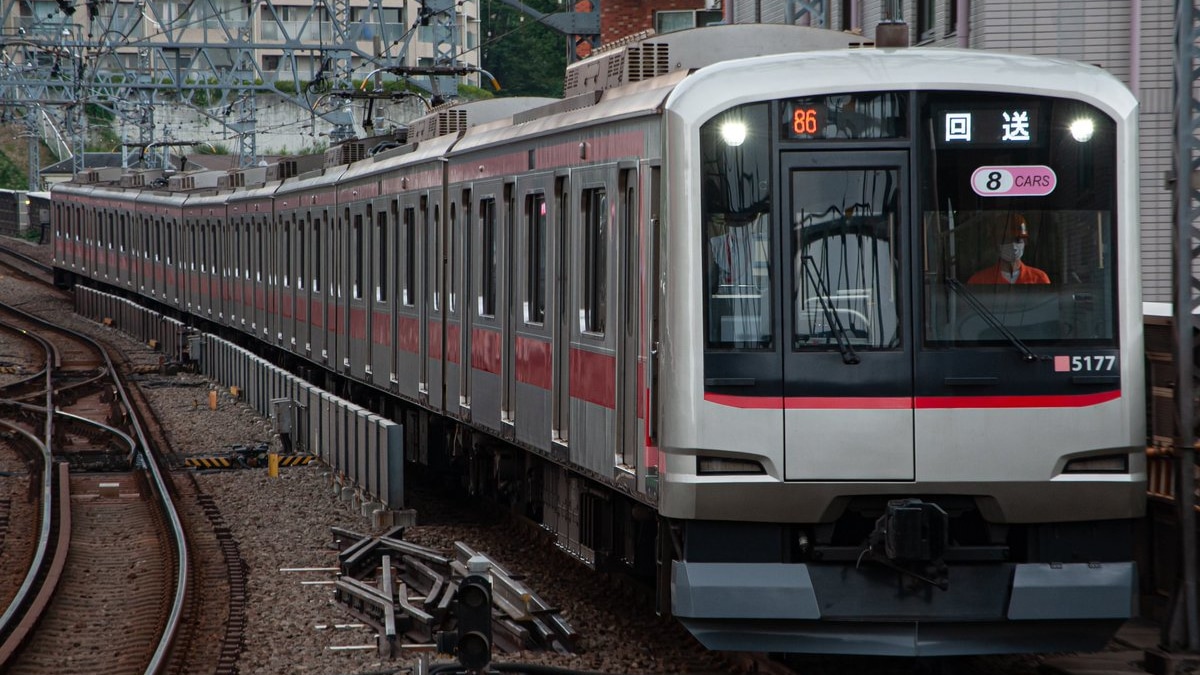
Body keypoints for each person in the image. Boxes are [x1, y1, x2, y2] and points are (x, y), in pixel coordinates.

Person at [967, 214, 1050, 285]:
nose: (1013, 245)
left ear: (1025, 241)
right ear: (994, 243)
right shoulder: (979, 281)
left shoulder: (1039, 278)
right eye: (1006, 240)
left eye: (1017, 240)